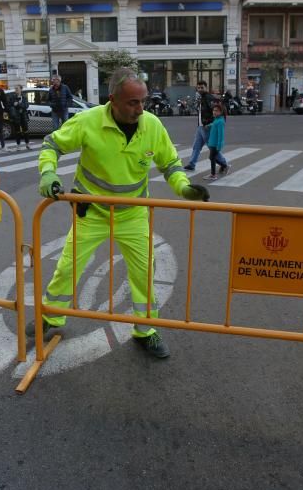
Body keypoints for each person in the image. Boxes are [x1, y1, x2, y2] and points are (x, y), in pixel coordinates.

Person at [29, 68, 210, 358]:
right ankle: (51, 315)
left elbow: (171, 165)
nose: (140, 109)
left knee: (143, 273)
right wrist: (48, 173)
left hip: (133, 214)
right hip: (93, 212)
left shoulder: (151, 125)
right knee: (68, 266)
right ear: (112, 99)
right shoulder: (87, 122)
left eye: (143, 101)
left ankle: (145, 329)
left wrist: (184, 188)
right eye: (132, 103)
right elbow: (52, 144)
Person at [183, 80, 228, 171]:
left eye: (202, 87)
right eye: (198, 87)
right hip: (200, 126)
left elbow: (215, 112)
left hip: (206, 126)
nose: (200, 89)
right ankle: (192, 164)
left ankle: (224, 163)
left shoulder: (208, 98)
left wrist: (210, 124)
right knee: (196, 146)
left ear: (206, 87)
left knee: (211, 147)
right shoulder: (201, 97)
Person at [205, 102, 229, 181]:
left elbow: (221, 135)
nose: (214, 112)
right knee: (212, 158)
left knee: (212, 158)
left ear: (221, 112)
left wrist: (219, 145)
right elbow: (214, 124)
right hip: (212, 142)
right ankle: (224, 166)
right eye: (213, 110)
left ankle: (213, 174)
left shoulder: (220, 121)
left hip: (215, 144)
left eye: (216, 111)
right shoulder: (217, 120)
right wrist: (210, 125)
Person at [8, 85, 31, 150]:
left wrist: (18, 104)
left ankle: (27, 144)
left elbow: (26, 105)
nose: (16, 90)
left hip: (23, 115)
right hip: (16, 116)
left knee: (25, 130)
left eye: (17, 89)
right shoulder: (12, 97)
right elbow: (9, 105)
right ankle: (18, 145)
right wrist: (13, 104)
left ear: (21, 89)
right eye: (15, 89)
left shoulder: (24, 97)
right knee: (17, 131)